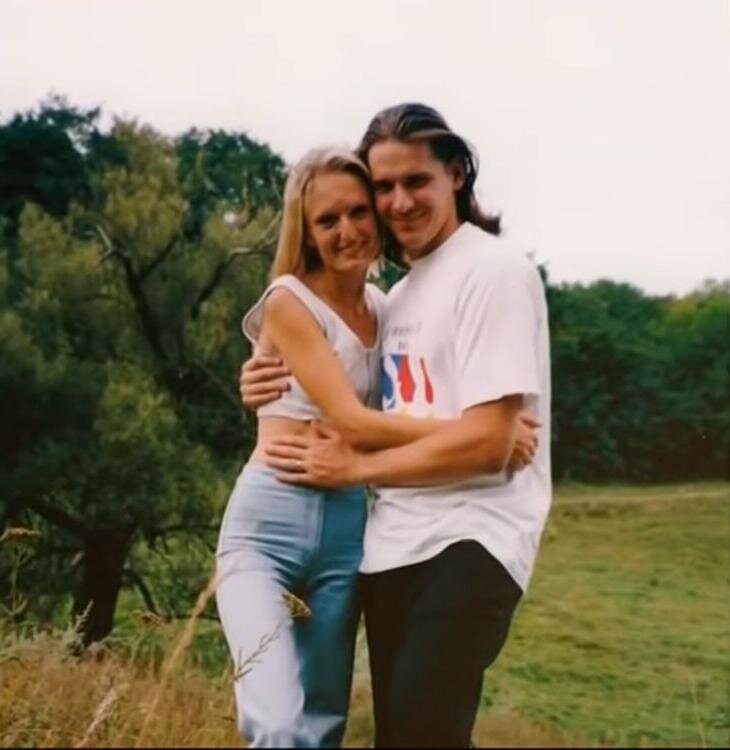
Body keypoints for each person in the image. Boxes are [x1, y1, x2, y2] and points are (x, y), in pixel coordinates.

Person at [244, 103, 552, 748]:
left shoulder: (492, 270)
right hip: (389, 545)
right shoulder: (397, 298)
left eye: (417, 181)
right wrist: (260, 378)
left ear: (457, 174)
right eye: (383, 187)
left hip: (473, 537)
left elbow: (488, 442)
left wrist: (358, 468)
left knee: (423, 732)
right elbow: (348, 385)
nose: (400, 202)